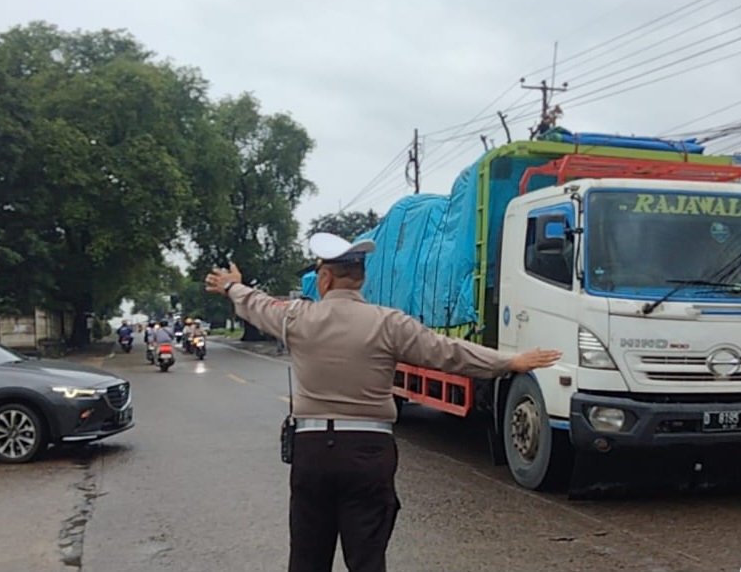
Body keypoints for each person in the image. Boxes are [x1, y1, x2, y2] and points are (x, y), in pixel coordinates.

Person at [205, 232, 562, 572]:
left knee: (307, 560)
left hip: (312, 452)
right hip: (369, 452)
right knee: (367, 560)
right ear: (360, 278)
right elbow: (449, 352)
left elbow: (258, 305)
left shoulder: (296, 317)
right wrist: (509, 362)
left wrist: (232, 286)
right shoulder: (389, 324)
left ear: (325, 279)